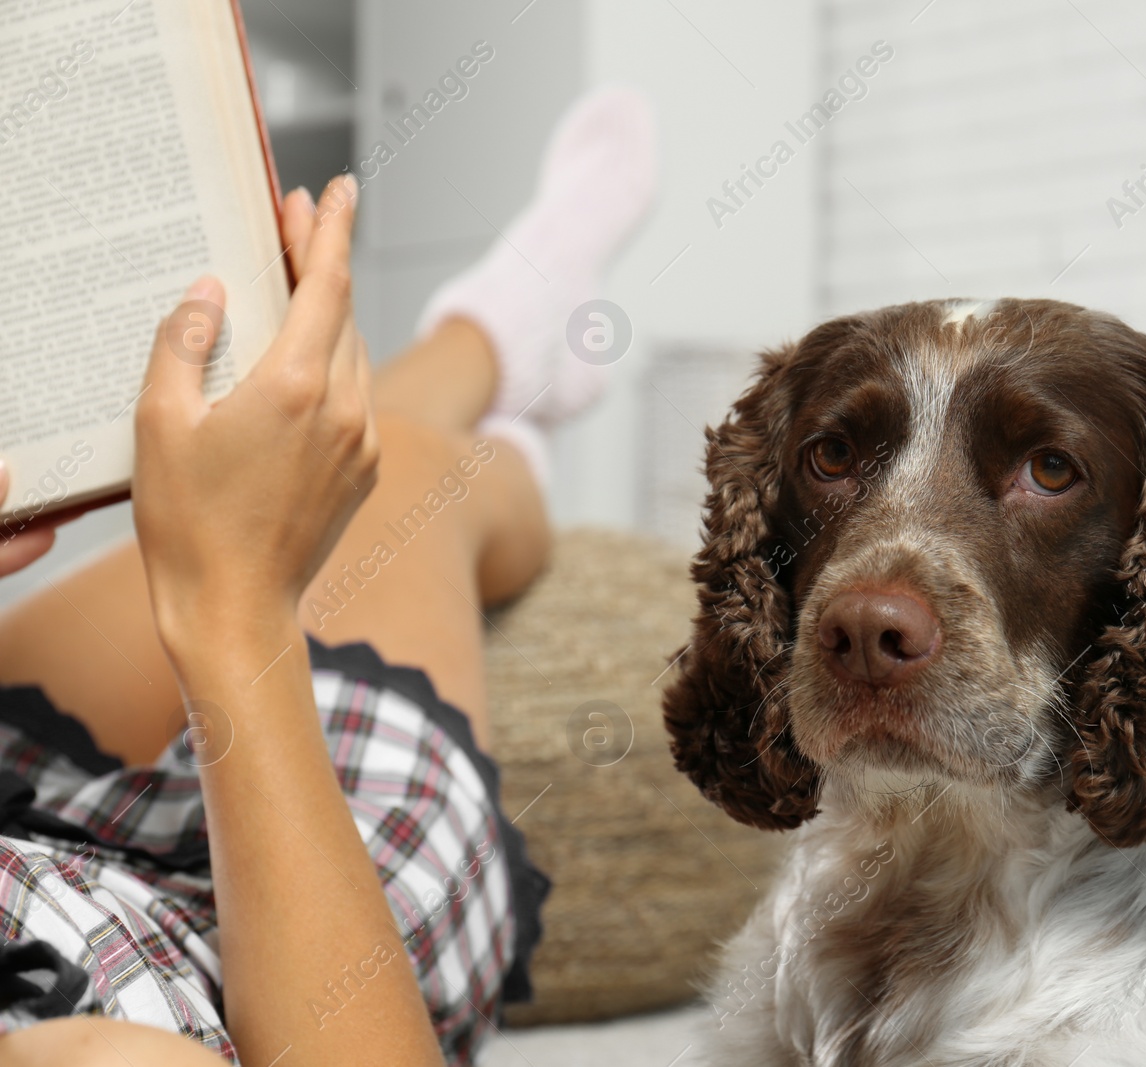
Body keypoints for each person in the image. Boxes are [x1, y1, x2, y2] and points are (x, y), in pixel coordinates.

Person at [0, 87, 656, 1066]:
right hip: (267, 958)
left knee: (258, 474)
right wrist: (234, 612)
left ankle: (496, 349)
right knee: (406, 469)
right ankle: (494, 358)